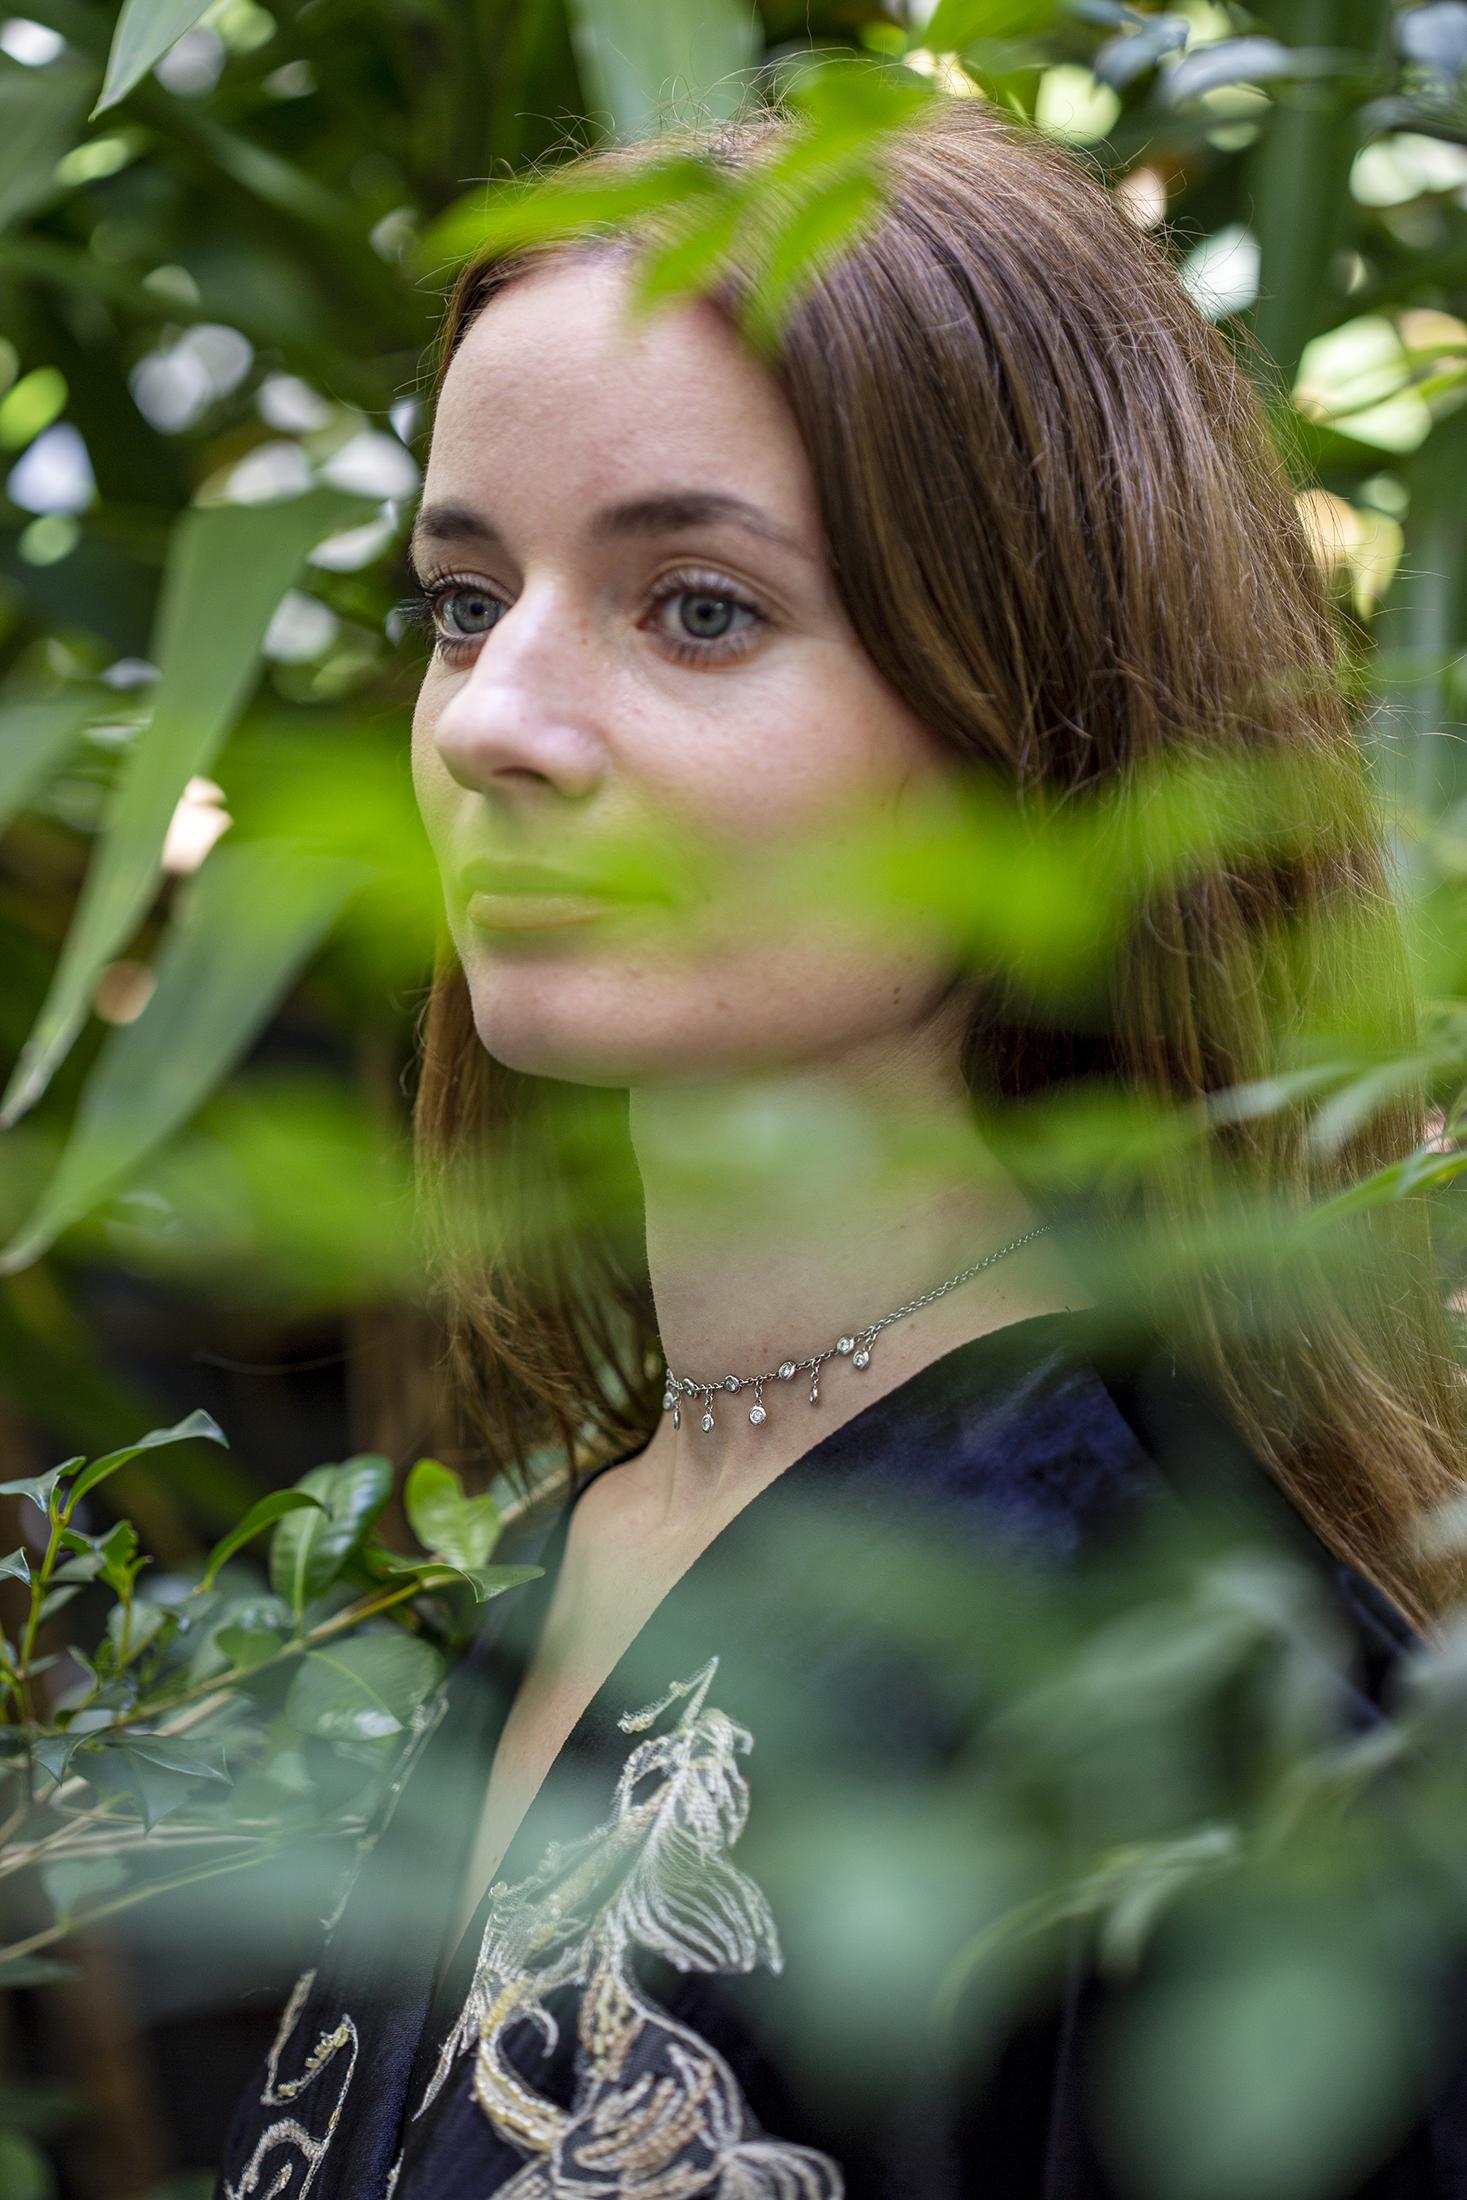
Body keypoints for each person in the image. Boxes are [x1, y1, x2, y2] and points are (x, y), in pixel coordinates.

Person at [215, 85, 1467, 2199]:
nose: (495, 718)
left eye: (694, 606)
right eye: (460, 598)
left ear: (1046, 727)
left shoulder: (1194, 1678)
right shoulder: (565, 1546)